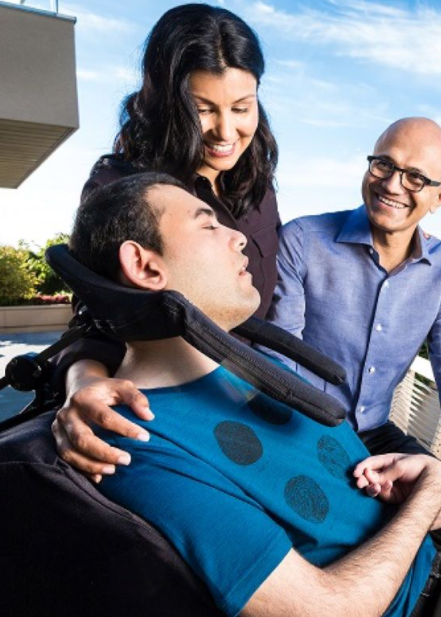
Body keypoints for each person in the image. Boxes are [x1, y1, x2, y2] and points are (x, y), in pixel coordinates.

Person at [69, 172, 441, 617]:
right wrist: (430, 493)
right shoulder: (137, 441)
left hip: (418, 538)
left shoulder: (259, 369)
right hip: (411, 595)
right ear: (143, 266)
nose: (241, 242)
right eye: (208, 225)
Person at [56, 116, 441, 510]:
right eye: (382, 164)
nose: (392, 183)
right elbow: (282, 350)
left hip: (380, 431)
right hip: (306, 426)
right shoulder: (302, 238)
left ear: (440, 197)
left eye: (415, 177)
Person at [51, 4, 281, 478]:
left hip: (256, 402)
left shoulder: (257, 182)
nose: (226, 131)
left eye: (242, 108)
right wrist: (82, 384)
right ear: (163, 103)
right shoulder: (121, 185)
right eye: (202, 110)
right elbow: (99, 317)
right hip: (175, 416)